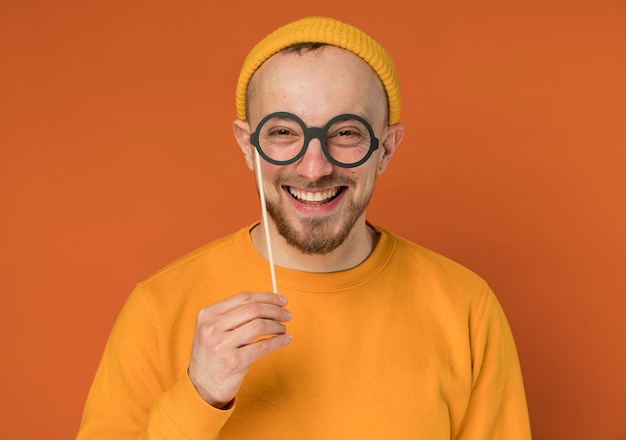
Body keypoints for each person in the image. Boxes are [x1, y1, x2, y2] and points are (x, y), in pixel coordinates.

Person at [77, 16, 531, 439]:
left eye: (347, 132)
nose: (314, 167)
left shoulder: (468, 309)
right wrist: (200, 394)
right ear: (247, 146)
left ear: (387, 147)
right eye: (282, 132)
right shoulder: (159, 308)